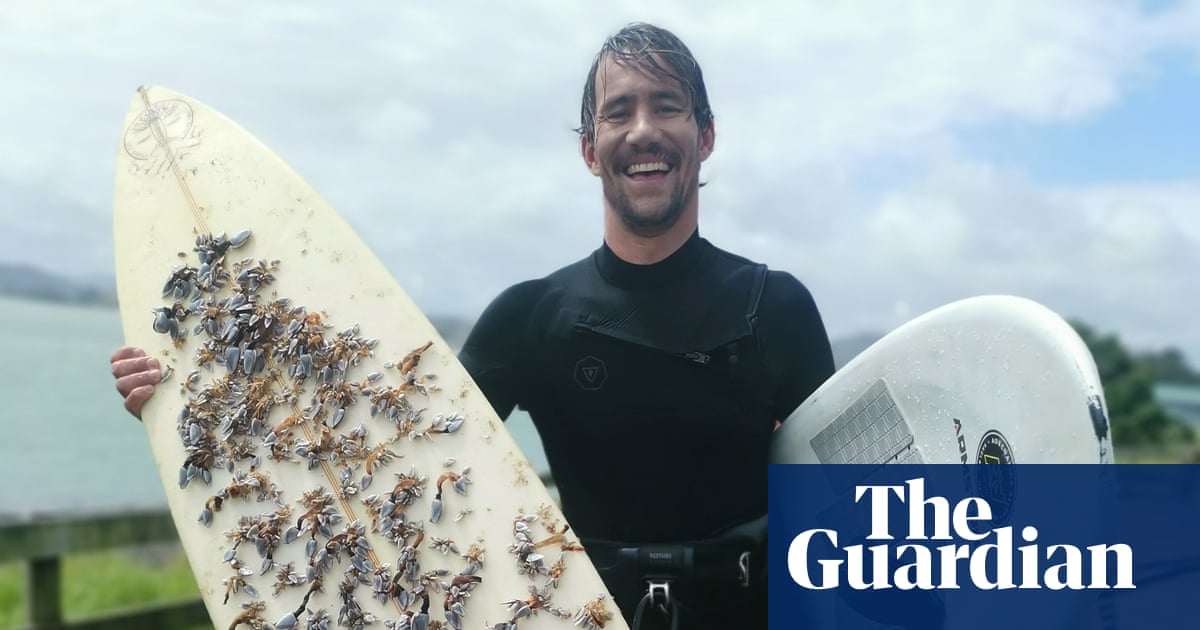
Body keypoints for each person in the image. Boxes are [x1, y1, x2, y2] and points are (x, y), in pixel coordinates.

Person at [111, 22, 834, 629]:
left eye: (667, 106)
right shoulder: (532, 317)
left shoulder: (776, 310)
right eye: (618, 112)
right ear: (590, 149)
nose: (643, 129)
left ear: (704, 136)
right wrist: (193, 393)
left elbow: (853, 515)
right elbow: (383, 454)